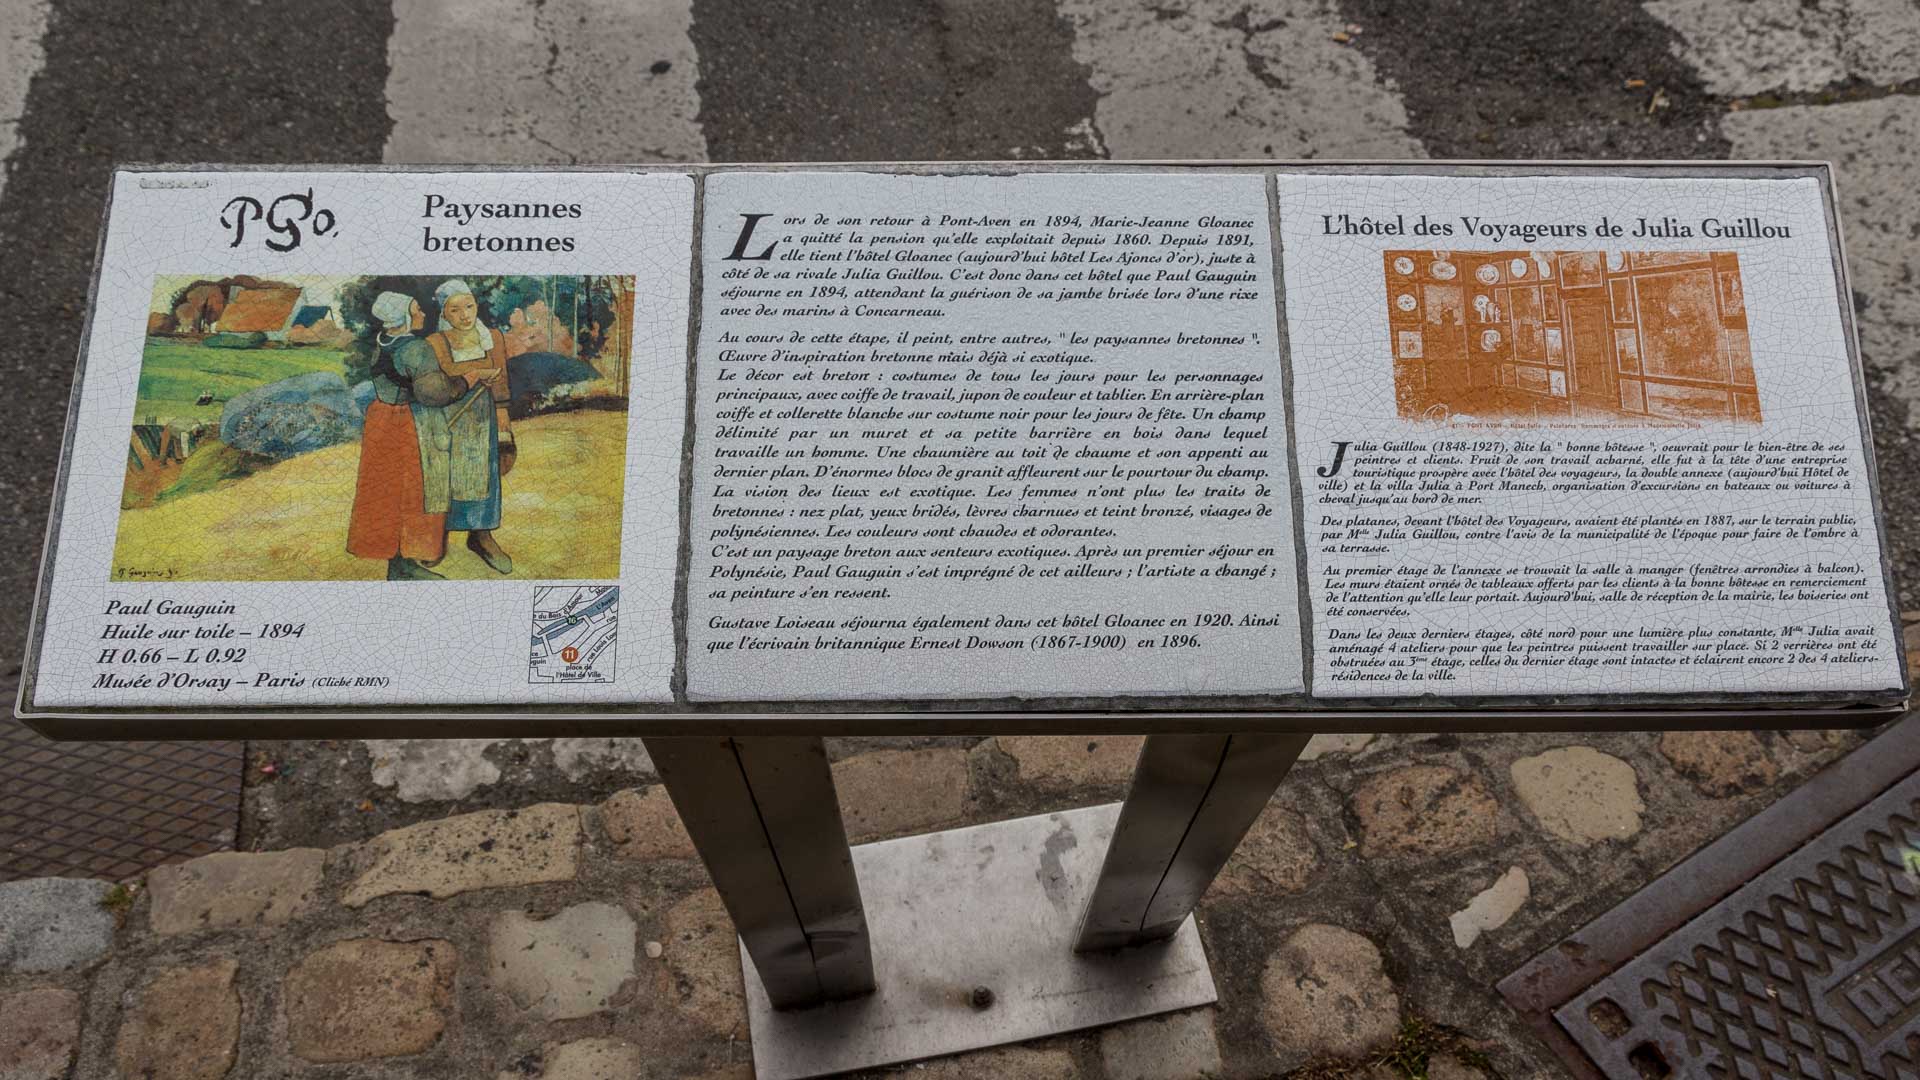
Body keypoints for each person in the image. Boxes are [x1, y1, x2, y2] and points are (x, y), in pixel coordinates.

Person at [346, 291, 489, 580]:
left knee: (388, 492)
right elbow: (434, 393)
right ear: (403, 317)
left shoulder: (382, 342)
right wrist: (470, 378)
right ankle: (405, 565)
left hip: (382, 421)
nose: (422, 314)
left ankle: (398, 563)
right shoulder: (415, 348)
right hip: (408, 425)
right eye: (416, 310)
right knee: (416, 492)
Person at [423, 279, 513, 574]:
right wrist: (478, 372)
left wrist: (503, 417)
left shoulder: (493, 337)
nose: (465, 315)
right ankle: (439, 537)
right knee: (446, 476)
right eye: (455, 310)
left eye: (469, 306)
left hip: (483, 418)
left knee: (483, 474)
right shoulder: (436, 342)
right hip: (449, 417)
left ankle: (481, 535)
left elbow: (500, 379)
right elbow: (443, 374)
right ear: (444, 313)